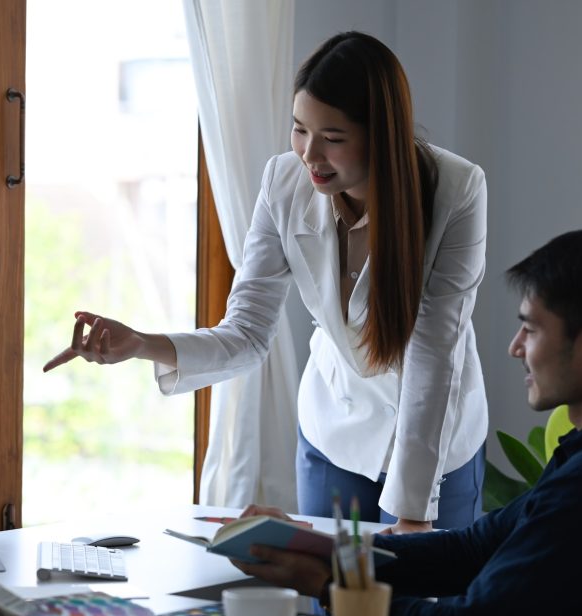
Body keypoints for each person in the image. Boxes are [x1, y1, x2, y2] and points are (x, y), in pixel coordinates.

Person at [44, 31, 488, 533]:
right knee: (324, 599)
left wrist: (412, 517)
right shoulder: (283, 184)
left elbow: (433, 355)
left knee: (421, 604)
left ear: (380, 135)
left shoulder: (456, 191)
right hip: (335, 433)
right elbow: (248, 334)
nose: (309, 154)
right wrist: (141, 344)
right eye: (300, 130)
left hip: (436, 446)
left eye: (333, 138)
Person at [232, 224, 582, 616]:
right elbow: (473, 548)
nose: (515, 347)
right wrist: (326, 550)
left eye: (531, 329)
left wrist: (326, 585)